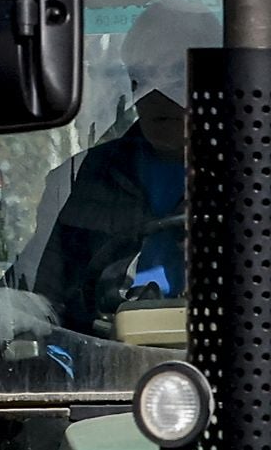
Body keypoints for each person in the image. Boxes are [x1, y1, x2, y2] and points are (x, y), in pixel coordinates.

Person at [31, 85, 189, 328]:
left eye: (174, 76)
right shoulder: (83, 176)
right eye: (143, 79)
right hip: (103, 349)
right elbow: (42, 296)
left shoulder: (261, 177)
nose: (157, 92)